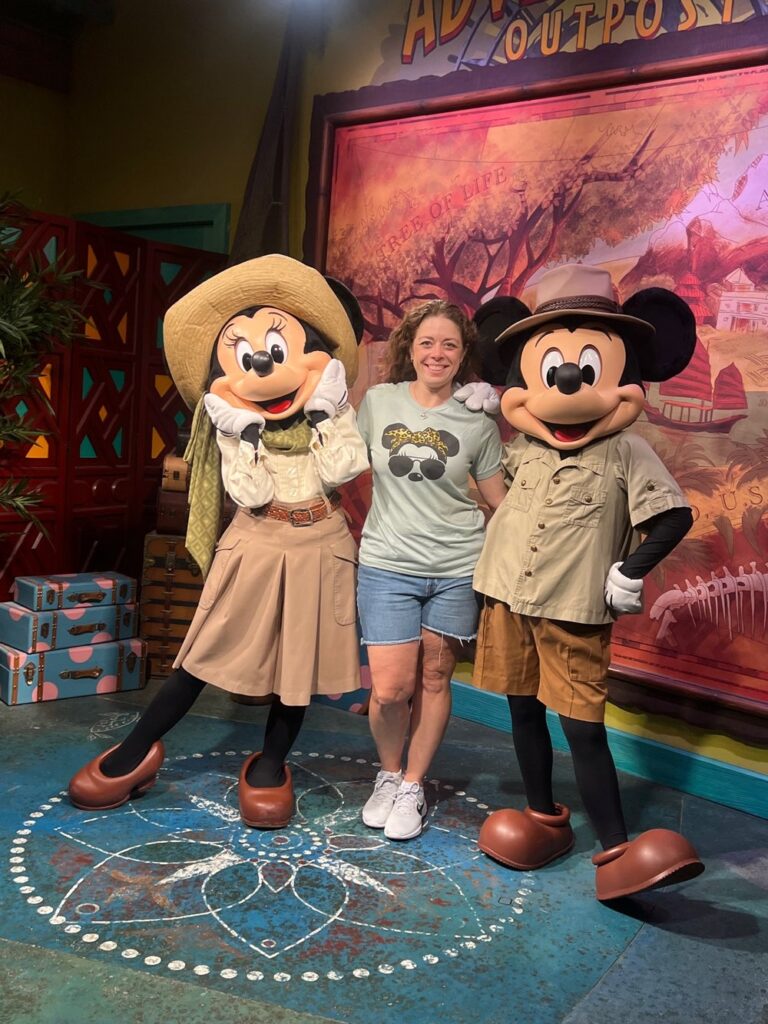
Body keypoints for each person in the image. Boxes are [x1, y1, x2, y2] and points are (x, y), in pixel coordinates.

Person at [69, 255, 369, 830]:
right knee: (201, 654)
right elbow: (249, 491)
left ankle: (271, 763)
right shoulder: (234, 424)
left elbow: (344, 468)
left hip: (323, 539)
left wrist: (329, 414)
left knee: (296, 667)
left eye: (278, 350)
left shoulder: (333, 411)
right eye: (246, 355)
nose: (263, 365)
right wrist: (245, 435)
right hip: (258, 537)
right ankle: (136, 751)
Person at [471, 264, 704, 901]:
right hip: (507, 598)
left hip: (573, 609)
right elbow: (488, 487)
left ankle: (615, 849)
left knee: (581, 727)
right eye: (549, 370)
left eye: (588, 368)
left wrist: (629, 570)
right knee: (521, 711)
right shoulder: (524, 449)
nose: (568, 385)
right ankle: (544, 816)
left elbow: (674, 515)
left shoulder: (625, 451)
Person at [355, 299, 508, 841]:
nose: (436, 353)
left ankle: (413, 786)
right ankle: (388, 773)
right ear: (410, 349)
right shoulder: (378, 402)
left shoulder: (477, 421)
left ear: (464, 352)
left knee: (436, 679)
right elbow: (340, 458)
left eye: (449, 344)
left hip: (455, 569)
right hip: (386, 566)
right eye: (427, 342)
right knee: (391, 690)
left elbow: (499, 502)